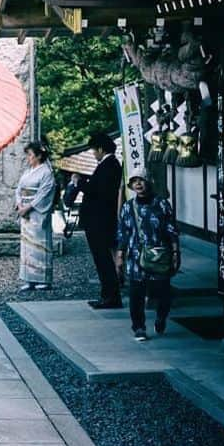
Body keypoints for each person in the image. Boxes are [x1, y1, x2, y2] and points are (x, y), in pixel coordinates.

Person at [117, 173, 181, 342]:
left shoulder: (161, 204)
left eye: (141, 180)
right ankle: (138, 327)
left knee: (163, 291)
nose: (138, 184)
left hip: (159, 254)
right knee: (136, 292)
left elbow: (171, 229)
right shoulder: (128, 207)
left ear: (149, 181)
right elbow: (123, 232)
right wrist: (120, 254)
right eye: (134, 181)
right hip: (135, 256)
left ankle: (161, 316)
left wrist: (175, 252)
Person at [65, 131, 124, 309]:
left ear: (100, 149)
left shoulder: (110, 166)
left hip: (100, 220)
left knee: (103, 259)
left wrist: (79, 183)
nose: (93, 154)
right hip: (99, 219)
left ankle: (110, 296)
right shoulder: (108, 166)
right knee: (102, 259)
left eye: (94, 150)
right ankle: (107, 294)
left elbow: (98, 192)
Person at [15, 142, 56, 291]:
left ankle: (43, 278)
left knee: (40, 244)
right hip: (25, 211)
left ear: (39, 155)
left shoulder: (46, 172)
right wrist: (20, 204)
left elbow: (44, 193)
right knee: (27, 246)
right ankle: (29, 278)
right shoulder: (27, 172)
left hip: (37, 213)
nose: (28, 158)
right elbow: (19, 189)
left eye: (30, 155)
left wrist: (28, 207)